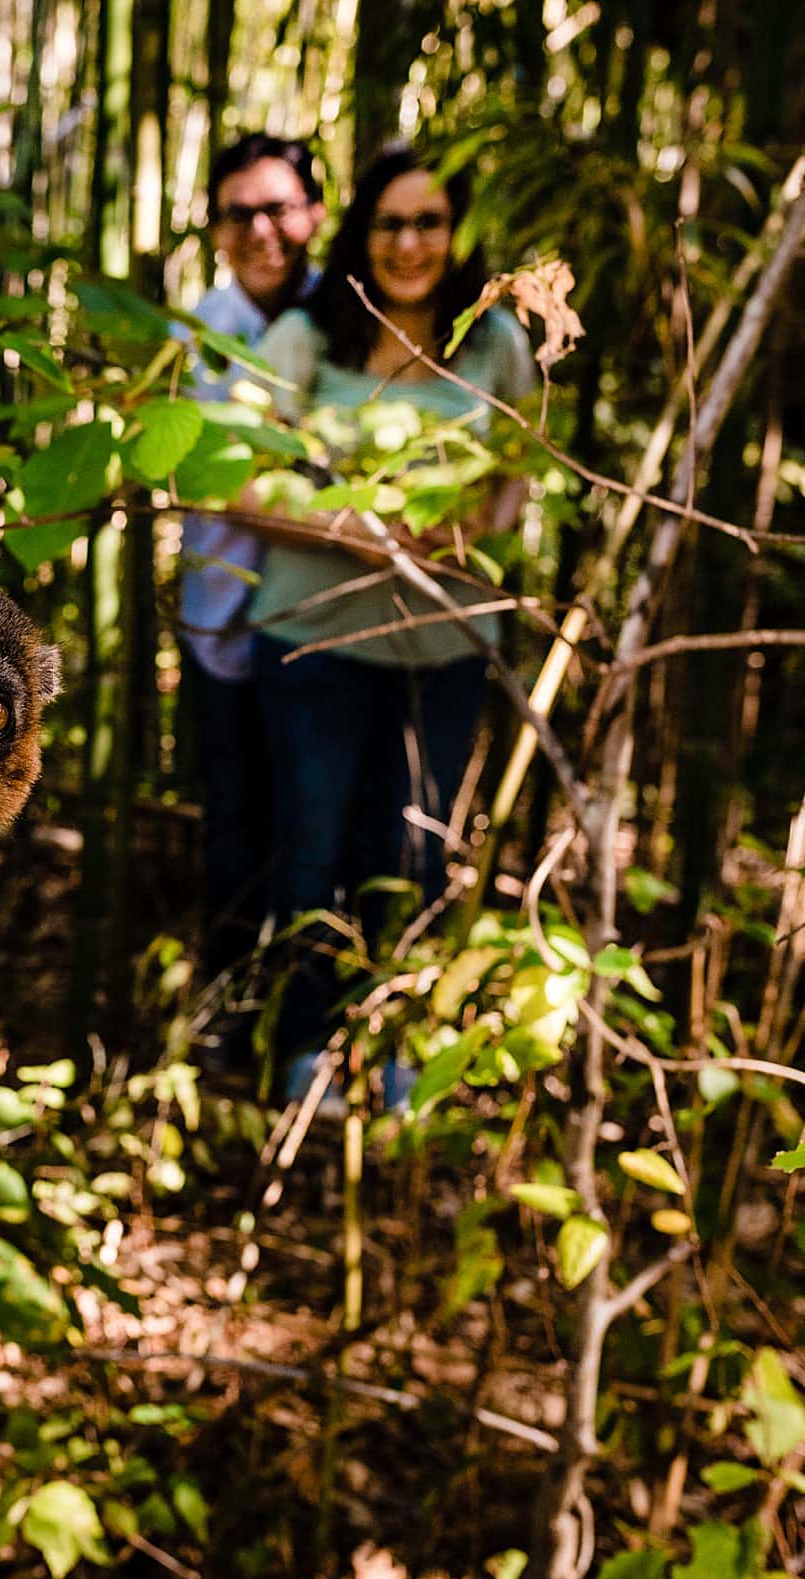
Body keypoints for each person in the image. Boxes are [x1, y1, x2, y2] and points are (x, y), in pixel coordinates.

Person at [241, 145, 537, 1103]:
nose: (411, 244)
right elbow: (233, 480)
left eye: (430, 222)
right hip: (312, 641)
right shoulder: (305, 338)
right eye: (391, 223)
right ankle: (301, 1055)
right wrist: (357, 530)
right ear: (361, 236)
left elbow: (513, 486)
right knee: (312, 848)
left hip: (444, 646)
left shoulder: (496, 343)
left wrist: (458, 529)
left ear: (456, 235)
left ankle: (391, 1048)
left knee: (411, 853)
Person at [180, 134, 325, 988]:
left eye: (277, 207)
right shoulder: (192, 335)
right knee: (236, 829)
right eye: (239, 213)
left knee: (324, 828)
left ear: (314, 214)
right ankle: (229, 1014)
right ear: (216, 228)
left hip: (329, 626)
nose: (261, 229)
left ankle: (313, 1018)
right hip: (224, 630)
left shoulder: (352, 319)